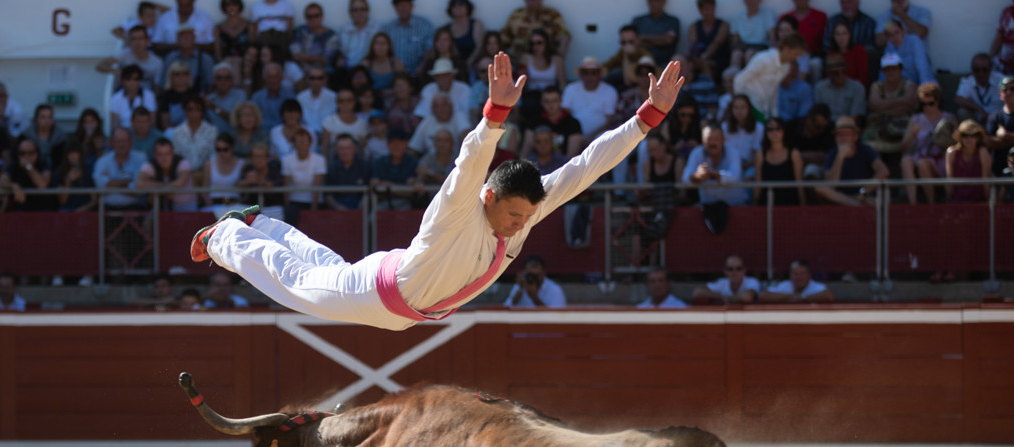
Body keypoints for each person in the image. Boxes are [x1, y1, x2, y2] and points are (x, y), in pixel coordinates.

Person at [190, 53, 683, 330]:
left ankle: (261, 223)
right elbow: (471, 164)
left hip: (402, 299)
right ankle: (223, 236)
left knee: (318, 269)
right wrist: (494, 116)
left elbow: (585, 166)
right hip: (377, 296)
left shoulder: (526, 208)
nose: (520, 225)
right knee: (295, 282)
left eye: (526, 216)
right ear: (489, 199)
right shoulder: (460, 208)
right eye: (514, 215)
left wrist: (647, 118)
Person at [682, 124, 746, 233]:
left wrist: (714, 175)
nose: (712, 143)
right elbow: (686, 178)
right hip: (708, 206)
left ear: (723, 140)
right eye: (709, 139)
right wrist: (697, 176)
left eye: (716, 139)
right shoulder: (697, 153)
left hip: (736, 207)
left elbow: (734, 176)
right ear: (703, 141)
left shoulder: (733, 152)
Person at [900, 82, 955, 204]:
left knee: (922, 163)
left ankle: (931, 203)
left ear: (938, 101)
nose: (927, 107)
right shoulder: (916, 119)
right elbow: (903, 148)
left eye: (931, 103)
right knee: (906, 161)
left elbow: (956, 144)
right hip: (920, 155)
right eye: (923, 104)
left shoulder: (949, 119)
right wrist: (912, 135)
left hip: (940, 159)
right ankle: (912, 203)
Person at [815, 115, 888, 206]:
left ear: (855, 136)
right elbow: (831, 185)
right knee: (820, 188)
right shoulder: (832, 154)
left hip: (865, 197)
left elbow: (883, 171)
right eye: (840, 135)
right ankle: (856, 206)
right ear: (835, 139)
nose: (843, 139)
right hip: (842, 199)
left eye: (846, 134)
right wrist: (840, 157)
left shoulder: (866, 150)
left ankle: (856, 204)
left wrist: (864, 191)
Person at [733, 32, 805, 121]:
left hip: (764, 110)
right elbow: (739, 80)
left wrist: (774, 115)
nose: (797, 58)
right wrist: (741, 107)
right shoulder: (763, 59)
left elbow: (774, 90)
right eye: (795, 54)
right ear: (786, 49)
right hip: (751, 108)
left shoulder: (787, 67)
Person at [863, 53, 917, 157]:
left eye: (894, 68)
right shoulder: (876, 86)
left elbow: (909, 105)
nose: (890, 72)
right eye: (887, 69)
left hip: (903, 127)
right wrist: (900, 102)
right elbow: (874, 104)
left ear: (900, 69)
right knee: (870, 145)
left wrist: (880, 110)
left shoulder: (909, 85)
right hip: (880, 127)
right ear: (882, 71)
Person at [561, 57, 617, 143]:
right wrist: (576, 137)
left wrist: (591, 138)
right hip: (573, 136)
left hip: (600, 138)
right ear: (581, 75)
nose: (589, 76)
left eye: (593, 73)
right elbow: (564, 115)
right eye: (585, 72)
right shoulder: (570, 89)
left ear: (599, 75)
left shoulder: (610, 91)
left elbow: (609, 122)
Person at [93, 126, 149, 210]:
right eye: (118, 141)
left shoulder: (141, 159)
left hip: (135, 210)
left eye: (124, 141)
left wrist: (111, 183)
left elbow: (139, 188)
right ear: (112, 143)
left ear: (130, 142)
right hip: (107, 211)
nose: (121, 145)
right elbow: (100, 186)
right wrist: (127, 182)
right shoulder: (102, 161)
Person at [754, 116, 804, 205]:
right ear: (766, 132)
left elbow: (799, 183)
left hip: (790, 206)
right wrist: (754, 206)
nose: (774, 132)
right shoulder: (760, 154)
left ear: (784, 131)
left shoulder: (794, 153)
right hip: (766, 206)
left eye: (778, 128)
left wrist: (803, 207)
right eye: (770, 129)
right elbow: (758, 183)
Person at [138, 136, 197, 210]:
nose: (164, 158)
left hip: (186, 207)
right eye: (160, 154)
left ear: (173, 153)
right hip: (162, 208)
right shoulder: (150, 164)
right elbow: (140, 183)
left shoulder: (183, 162)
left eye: (167, 153)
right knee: (147, 220)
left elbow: (180, 183)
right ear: (154, 155)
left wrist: (156, 192)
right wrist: (166, 188)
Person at [499, 0, 569, 61]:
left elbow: (564, 36)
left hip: (545, 63)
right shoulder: (516, 14)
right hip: (518, 60)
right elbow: (503, 38)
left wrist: (558, 60)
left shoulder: (552, 14)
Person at [381, 0, 434, 79]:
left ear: (412, 6)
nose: (403, 8)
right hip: (395, 76)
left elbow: (430, 49)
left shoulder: (424, 25)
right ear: (395, 7)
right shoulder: (388, 29)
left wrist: (421, 67)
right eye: (400, 5)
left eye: (405, 5)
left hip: (420, 74)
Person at [946, 119, 992, 203]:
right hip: (957, 201)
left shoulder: (982, 152)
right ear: (960, 137)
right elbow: (950, 180)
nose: (969, 139)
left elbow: (986, 179)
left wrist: (988, 204)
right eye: (965, 135)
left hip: (978, 201)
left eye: (973, 135)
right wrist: (949, 201)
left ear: (978, 137)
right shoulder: (951, 153)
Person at [6, 138, 58, 212]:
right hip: (20, 211)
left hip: (42, 211)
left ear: (37, 154)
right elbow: (0, 183)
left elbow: (42, 185)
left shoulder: (44, 165)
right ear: (17, 155)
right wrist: (13, 186)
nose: (26, 156)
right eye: (22, 153)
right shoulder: (13, 166)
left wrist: (29, 167)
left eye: (31, 153)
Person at [955, 53, 1005, 126]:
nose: (981, 74)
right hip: (977, 122)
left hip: (998, 120)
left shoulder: (1000, 80)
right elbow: (958, 99)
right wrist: (978, 109)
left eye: (985, 70)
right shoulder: (968, 82)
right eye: (977, 70)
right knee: (962, 112)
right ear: (972, 70)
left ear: (990, 69)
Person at [203, 130, 245, 214]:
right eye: (218, 149)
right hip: (214, 206)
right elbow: (204, 190)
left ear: (232, 148)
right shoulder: (209, 164)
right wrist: (209, 204)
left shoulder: (242, 164)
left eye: (225, 149)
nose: (221, 153)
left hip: (236, 206)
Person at [881, 18, 933, 87]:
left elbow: (922, 67)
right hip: (901, 87)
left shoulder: (914, 41)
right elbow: (885, 71)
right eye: (890, 35)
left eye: (897, 32)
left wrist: (925, 88)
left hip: (921, 83)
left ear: (903, 31)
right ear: (886, 37)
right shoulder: (889, 47)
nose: (895, 37)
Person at [292, 2, 340, 75]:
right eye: (309, 16)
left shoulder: (331, 35)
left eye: (316, 15)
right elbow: (295, 54)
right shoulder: (300, 31)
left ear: (322, 16)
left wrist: (305, 57)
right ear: (305, 18)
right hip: (302, 68)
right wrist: (310, 61)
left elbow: (327, 59)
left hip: (323, 71)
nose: (313, 19)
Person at [687, 0, 730, 82]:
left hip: (719, 60)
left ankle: (709, 88)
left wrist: (703, 57)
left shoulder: (723, 25)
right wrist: (694, 60)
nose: (710, 12)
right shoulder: (694, 26)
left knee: (704, 63)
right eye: (706, 9)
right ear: (700, 10)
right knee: (685, 63)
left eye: (712, 9)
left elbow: (716, 43)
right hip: (698, 59)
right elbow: (693, 45)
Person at [815, 53, 865, 121]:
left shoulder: (858, 88)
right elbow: (818, 115)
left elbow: (855, 116)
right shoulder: (819, 88)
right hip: (825, 126)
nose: (841, 75)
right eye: (836, 73)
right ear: (828, 73)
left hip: (848, 125)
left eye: (844, 71)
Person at [604, 24, 652, 93]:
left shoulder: (645, 55)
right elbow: (606, 66)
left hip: (641, 92)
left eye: (631, 42)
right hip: (624, 90)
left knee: (617, 73)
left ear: (638, 40)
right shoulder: (621, 52)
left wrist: (626, 56)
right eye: (624, 42)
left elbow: (628, 82)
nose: (627, 45)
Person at [324, 132, 367, 209]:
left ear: (355, 148)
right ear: (336, 150)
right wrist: (339, 208)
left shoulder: (365, 166)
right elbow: (328, 196)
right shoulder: (331, 169)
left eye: (348, 148)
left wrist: (361, 207)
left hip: (361, 207)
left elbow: (369, 192)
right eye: (341, 149)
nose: (345, 152)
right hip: (337, 208)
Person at [110, 65, 159, 132]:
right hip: (124, 135)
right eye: (128, 79)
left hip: (145, 132)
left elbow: (152, 122)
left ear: (140, 80)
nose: (132, 82)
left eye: (135, 79)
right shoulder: (115, 98)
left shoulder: (149, 96)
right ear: (123, 81)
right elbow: (115, 125)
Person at [692, 255, 758, 304]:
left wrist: (725, 299)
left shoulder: (752, 281)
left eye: (738, 268)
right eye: (730, 269)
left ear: (744, 270)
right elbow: (698, 292)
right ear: (725, 271)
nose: (734, 272)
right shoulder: (722, 283)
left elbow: (747, 297)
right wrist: (721, 297)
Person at [760, 259, 835, 303]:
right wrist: (793, 296)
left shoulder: (816, 286)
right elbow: (763, 296)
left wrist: (803, 297)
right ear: (790, 275)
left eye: (802, 273)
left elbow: (829, 296)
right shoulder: (785, 285)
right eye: (795, 274)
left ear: (809, 275)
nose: (799, 277)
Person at [250, 62, 295, 133]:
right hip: (262, 135)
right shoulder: (257, 97)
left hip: (284, 134)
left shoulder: (290, 97)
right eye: (269, 77)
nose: (272, 81)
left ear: (281, 78)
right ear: (264, 79)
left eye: (275, 77)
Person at [730, 0, 775, 70]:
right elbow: (734, 41)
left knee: (749, 53)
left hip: (761, 46)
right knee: (736, 54)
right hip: (743, 46)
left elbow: (772, 37)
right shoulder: (737, 18)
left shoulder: (767, 14)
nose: (751, 2)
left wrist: (773, 54)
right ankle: (732, 78)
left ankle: (749, 78)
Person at [633, 0, 680, 67]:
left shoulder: (672, 21)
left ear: (664, 2)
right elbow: (634, 42)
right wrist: (661, 41)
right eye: (650, 1)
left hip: (665, 63)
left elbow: (668, 40)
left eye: (657, 1)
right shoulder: (638, 21)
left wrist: (644, 38)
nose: (653, 4)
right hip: (641, 63)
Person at [826, 18, 868, 89]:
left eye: (844, 34)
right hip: (837, 89)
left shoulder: (859, 50)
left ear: (850, 35)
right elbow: (830, 77)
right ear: (833, 36)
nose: (841, 38)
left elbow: (864, 77)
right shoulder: (832, 54)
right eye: (838, 34)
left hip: (855, 88)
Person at [337, 0, 377, 75]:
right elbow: (340, 50)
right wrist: (340, 58)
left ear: (367, 11)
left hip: (369, 70)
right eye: (355, 10)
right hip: (347, 70)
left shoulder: (376, 29)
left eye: (363, 9)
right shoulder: (344, 29)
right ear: (350, 12)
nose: (359, 13)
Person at [297, 66, 337, 138]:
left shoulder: (333, 97)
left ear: (325, 79)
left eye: (320, 78)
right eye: (312, 78)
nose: (316, 81)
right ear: (307, 80)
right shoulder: (300, 98)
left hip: (328, 135)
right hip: (306, 136)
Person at [443, 0, 484, 68]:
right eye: (454, 4)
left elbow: (479, 46)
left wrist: (469, 62)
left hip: (473, 67)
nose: (457, 6)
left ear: (468, 7)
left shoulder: (476, 24)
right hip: (452, 68)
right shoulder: (446, 29)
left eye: (461, 3)